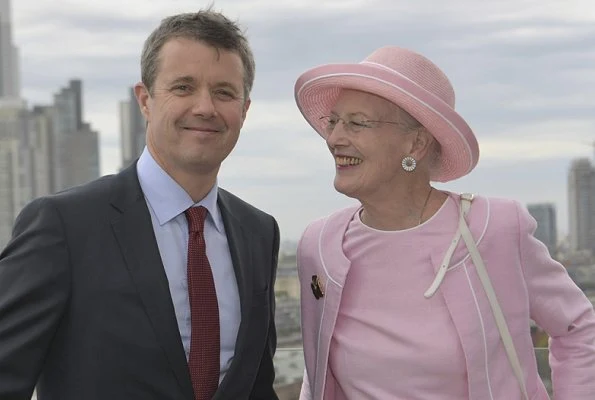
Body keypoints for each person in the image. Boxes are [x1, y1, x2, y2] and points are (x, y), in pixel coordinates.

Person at [0, 9, 279, 400]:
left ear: (244, 110)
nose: (205, 107)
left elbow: (256, 386)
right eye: (183, 87)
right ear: (145, 100)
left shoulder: (258, 232)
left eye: (224, 92)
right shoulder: (63, 225)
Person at [293, 46, 595, 399]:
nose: (334, 139)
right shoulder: (319, 244)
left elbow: (578, 328)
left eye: (357, 123)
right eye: (334, 122)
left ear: (416, 143)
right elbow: (316, 375)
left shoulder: (494, 229)